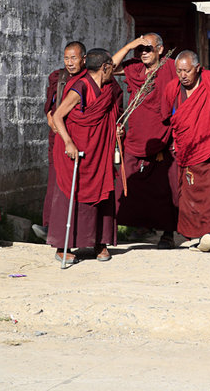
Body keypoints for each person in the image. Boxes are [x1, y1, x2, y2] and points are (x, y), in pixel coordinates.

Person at [47, 48, 123, 264]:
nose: (113, 70)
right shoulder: (80, 86)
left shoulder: (107, 87)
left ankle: (100, 242)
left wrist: (115, 129)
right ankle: (63, 247)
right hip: (75, 150)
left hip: (98, 151)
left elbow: (110, 114)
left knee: (102, 193)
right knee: (70, 196)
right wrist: (69, 142)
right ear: (105, 67)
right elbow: (58, 115)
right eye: (111, 67)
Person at [160, 50, 210, 252]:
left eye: (187, 71)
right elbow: (166, 116)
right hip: (188, 151)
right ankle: (204, 235)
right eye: (179, 71)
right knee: (192, 197)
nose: (182, 75)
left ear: (197, 68)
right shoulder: (173, 89)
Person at [111, 34, 179, 249]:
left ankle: (168, 233)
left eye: (148, 48)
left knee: (164, 188)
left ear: (160, 49)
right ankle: (139, 226)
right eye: (140, 49)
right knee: (129, 184)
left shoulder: (171, 67)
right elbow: (108, 68)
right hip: (137, 137)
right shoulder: (135, 69)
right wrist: (130, 45)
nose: (143, 53)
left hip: (164, 137)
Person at [33, 41, 86, 241]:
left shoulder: (89, 78)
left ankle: (75, 228)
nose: (70, 62)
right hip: (58, 137)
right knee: (55, 182)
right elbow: (50, 104)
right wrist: (49, 116)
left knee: (77, 183)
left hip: (79, 137)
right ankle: (50, 225)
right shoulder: (59, 77)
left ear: (83, 59)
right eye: (66, 58)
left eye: (74, 58)